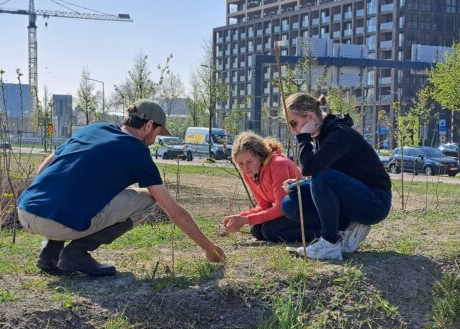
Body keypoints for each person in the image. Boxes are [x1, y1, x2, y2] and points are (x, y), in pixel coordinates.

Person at [17, 99, 226, 276]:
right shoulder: (137, 151)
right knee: (148, 200)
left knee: (82, 191)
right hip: (56, 224)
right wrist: (209, 249)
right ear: (148, 125)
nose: (154, 141)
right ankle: (76, 254)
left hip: (26, 211)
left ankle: (50, 253)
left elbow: (43, 170)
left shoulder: (93, 128)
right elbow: (174, 213)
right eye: (157, 134)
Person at [281, 93, 392, 260]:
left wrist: (303, 137)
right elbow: (324, 172)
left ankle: (329, 243)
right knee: (290, 204)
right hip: (352, 196)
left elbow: (311, 168)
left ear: (310, 117)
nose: (293, 129)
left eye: (294, 123)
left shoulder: (339, 134)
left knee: (321, 177)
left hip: (375, 201)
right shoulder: (320, 136)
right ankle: (345, 230)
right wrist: (303, 183)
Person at [222, 131, 321, 243]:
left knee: (270, 231)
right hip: (292, 211)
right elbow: (264, 205)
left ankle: (323, 233)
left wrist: (245, 220)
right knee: (257, 231)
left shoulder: (278, 164)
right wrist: (239, 217)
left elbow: (281, 208)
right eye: (240, 164)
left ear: (259, 156)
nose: (245, 167)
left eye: (249, 161)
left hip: (309, 210)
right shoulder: (248, 173)